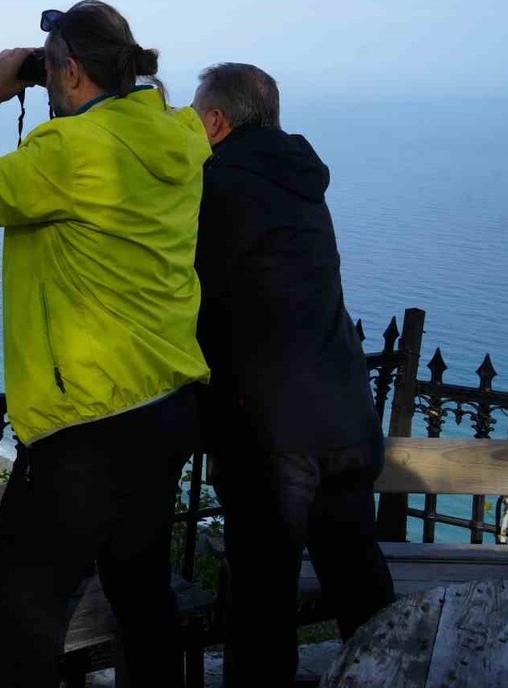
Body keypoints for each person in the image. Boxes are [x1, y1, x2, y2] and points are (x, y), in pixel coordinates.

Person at [0, 0, 211, 688]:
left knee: (21, 610)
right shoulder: (178, 136)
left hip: (87, 426)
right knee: (140, 591)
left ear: (74, 72)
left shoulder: (70, 152)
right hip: (165, 404)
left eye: (52, 69)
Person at [191, 63, 395, 686]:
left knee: (260, 607)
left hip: (270, 433)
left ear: (217, 122)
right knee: (362, 590)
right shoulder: (301, 181)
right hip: (344, 414)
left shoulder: (215, 184)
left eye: (195, 117)